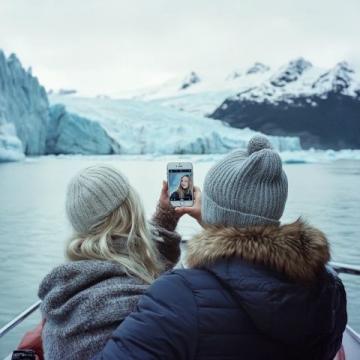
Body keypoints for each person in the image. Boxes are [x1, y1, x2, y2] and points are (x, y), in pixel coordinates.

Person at [93, 136, 347, 360]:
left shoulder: (178, 294)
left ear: (212, 209)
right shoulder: (328, 288)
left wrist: (168, 220)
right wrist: (218, 221)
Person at [37, 165, 182, 360]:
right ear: (131, 211)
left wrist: (164, 221)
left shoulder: (62, 296)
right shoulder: (142, 303)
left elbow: (125, 265)